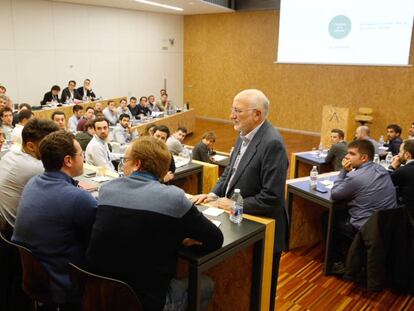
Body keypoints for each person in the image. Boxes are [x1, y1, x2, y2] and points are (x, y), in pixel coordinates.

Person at [86, 136, 223, 311]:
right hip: (142, 303)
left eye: (125, 161)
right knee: (206, 285)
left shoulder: (106, 189)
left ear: (137, 164)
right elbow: (215, 239)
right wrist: (180, 239)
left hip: (98, 296)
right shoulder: (174, 198)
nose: (123, 165)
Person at [194, 89, 289, 311]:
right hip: (237, 219)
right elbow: (229, 173)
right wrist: (214, 194)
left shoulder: (272, 144)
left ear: (257, 115)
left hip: (263, 228)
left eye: (237, 111)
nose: (231, 115)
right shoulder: (245, 134)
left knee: (261, 294)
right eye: (232, 110)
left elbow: (272, 198)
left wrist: (236, 204)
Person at [12, 131, 97, 307]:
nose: (83, 159)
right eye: (81, 154)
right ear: (68, 160)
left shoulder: (33, 182)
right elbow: (98, 239)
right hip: (62, 282)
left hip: (34, 274)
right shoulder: (78, 199)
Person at [328, 139, 397, 274]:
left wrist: (343, 171)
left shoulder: (355, 177)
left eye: (352, 154)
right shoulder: (381, 169)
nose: (346, 157)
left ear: (364, 158)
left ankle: (337, 262)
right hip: (386, 225)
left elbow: (335, 194)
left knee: (328, 218)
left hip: (366, 228)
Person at [0, 119, 59, 226]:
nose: (55, 149)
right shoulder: (36, 167)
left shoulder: (10, 154)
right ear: (31, 146)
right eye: (49, 145)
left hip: (9, 229)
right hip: (17, 232)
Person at [389, 140, 414, 215]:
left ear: (407, 155)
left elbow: (384, 183)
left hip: (408, 216)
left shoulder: (403, 171)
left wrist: (392, 167)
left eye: (400, 152)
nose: (398, 155)